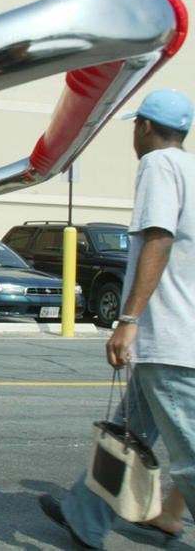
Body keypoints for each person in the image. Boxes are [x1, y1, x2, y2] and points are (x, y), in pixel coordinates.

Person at [38, 88, 195, 549]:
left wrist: (128, 319)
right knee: (127, 436)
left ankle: (91, 516)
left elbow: (158, 239)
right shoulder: (190, 166)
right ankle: (85, 517)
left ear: (145, 126)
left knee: (188, 451)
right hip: (176, 334)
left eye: (135, 125)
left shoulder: (159, 165)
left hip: (168, 337)